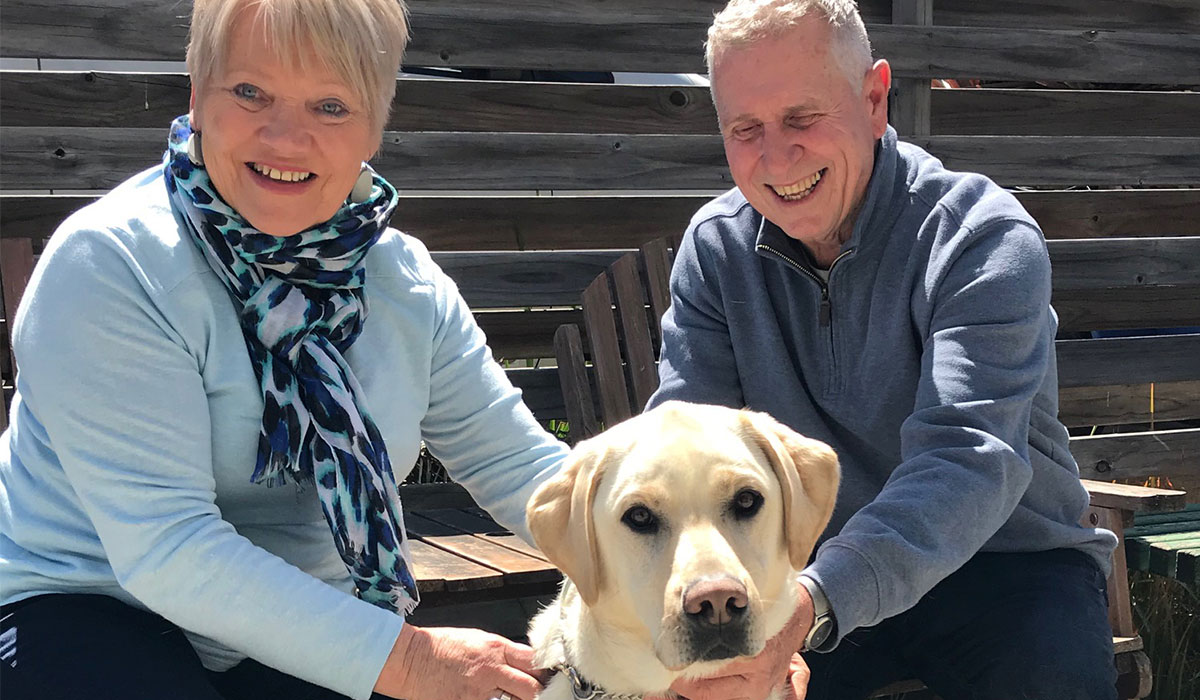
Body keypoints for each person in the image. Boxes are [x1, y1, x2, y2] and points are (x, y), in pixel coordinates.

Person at [0, 1, 568, 699]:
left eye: (331, 106)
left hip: (308, 613)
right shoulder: (113, 264)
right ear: (197, 97)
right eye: (250, 93)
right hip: (83, 599)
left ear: (376, 127)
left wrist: (683, 584)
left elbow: (521, 468)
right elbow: (168, 549)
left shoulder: (405, 285)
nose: (285, 137)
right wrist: (413, 662)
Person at [652, 2, 1120, 699]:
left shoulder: (981, 238)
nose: (777, 157)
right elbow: (684, 453)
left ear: (874, 99)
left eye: (802, 118)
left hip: (1006, 563)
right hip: (799, 576)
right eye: (746, 129)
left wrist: (809, 601)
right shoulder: (716, 249)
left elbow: (967, 462)